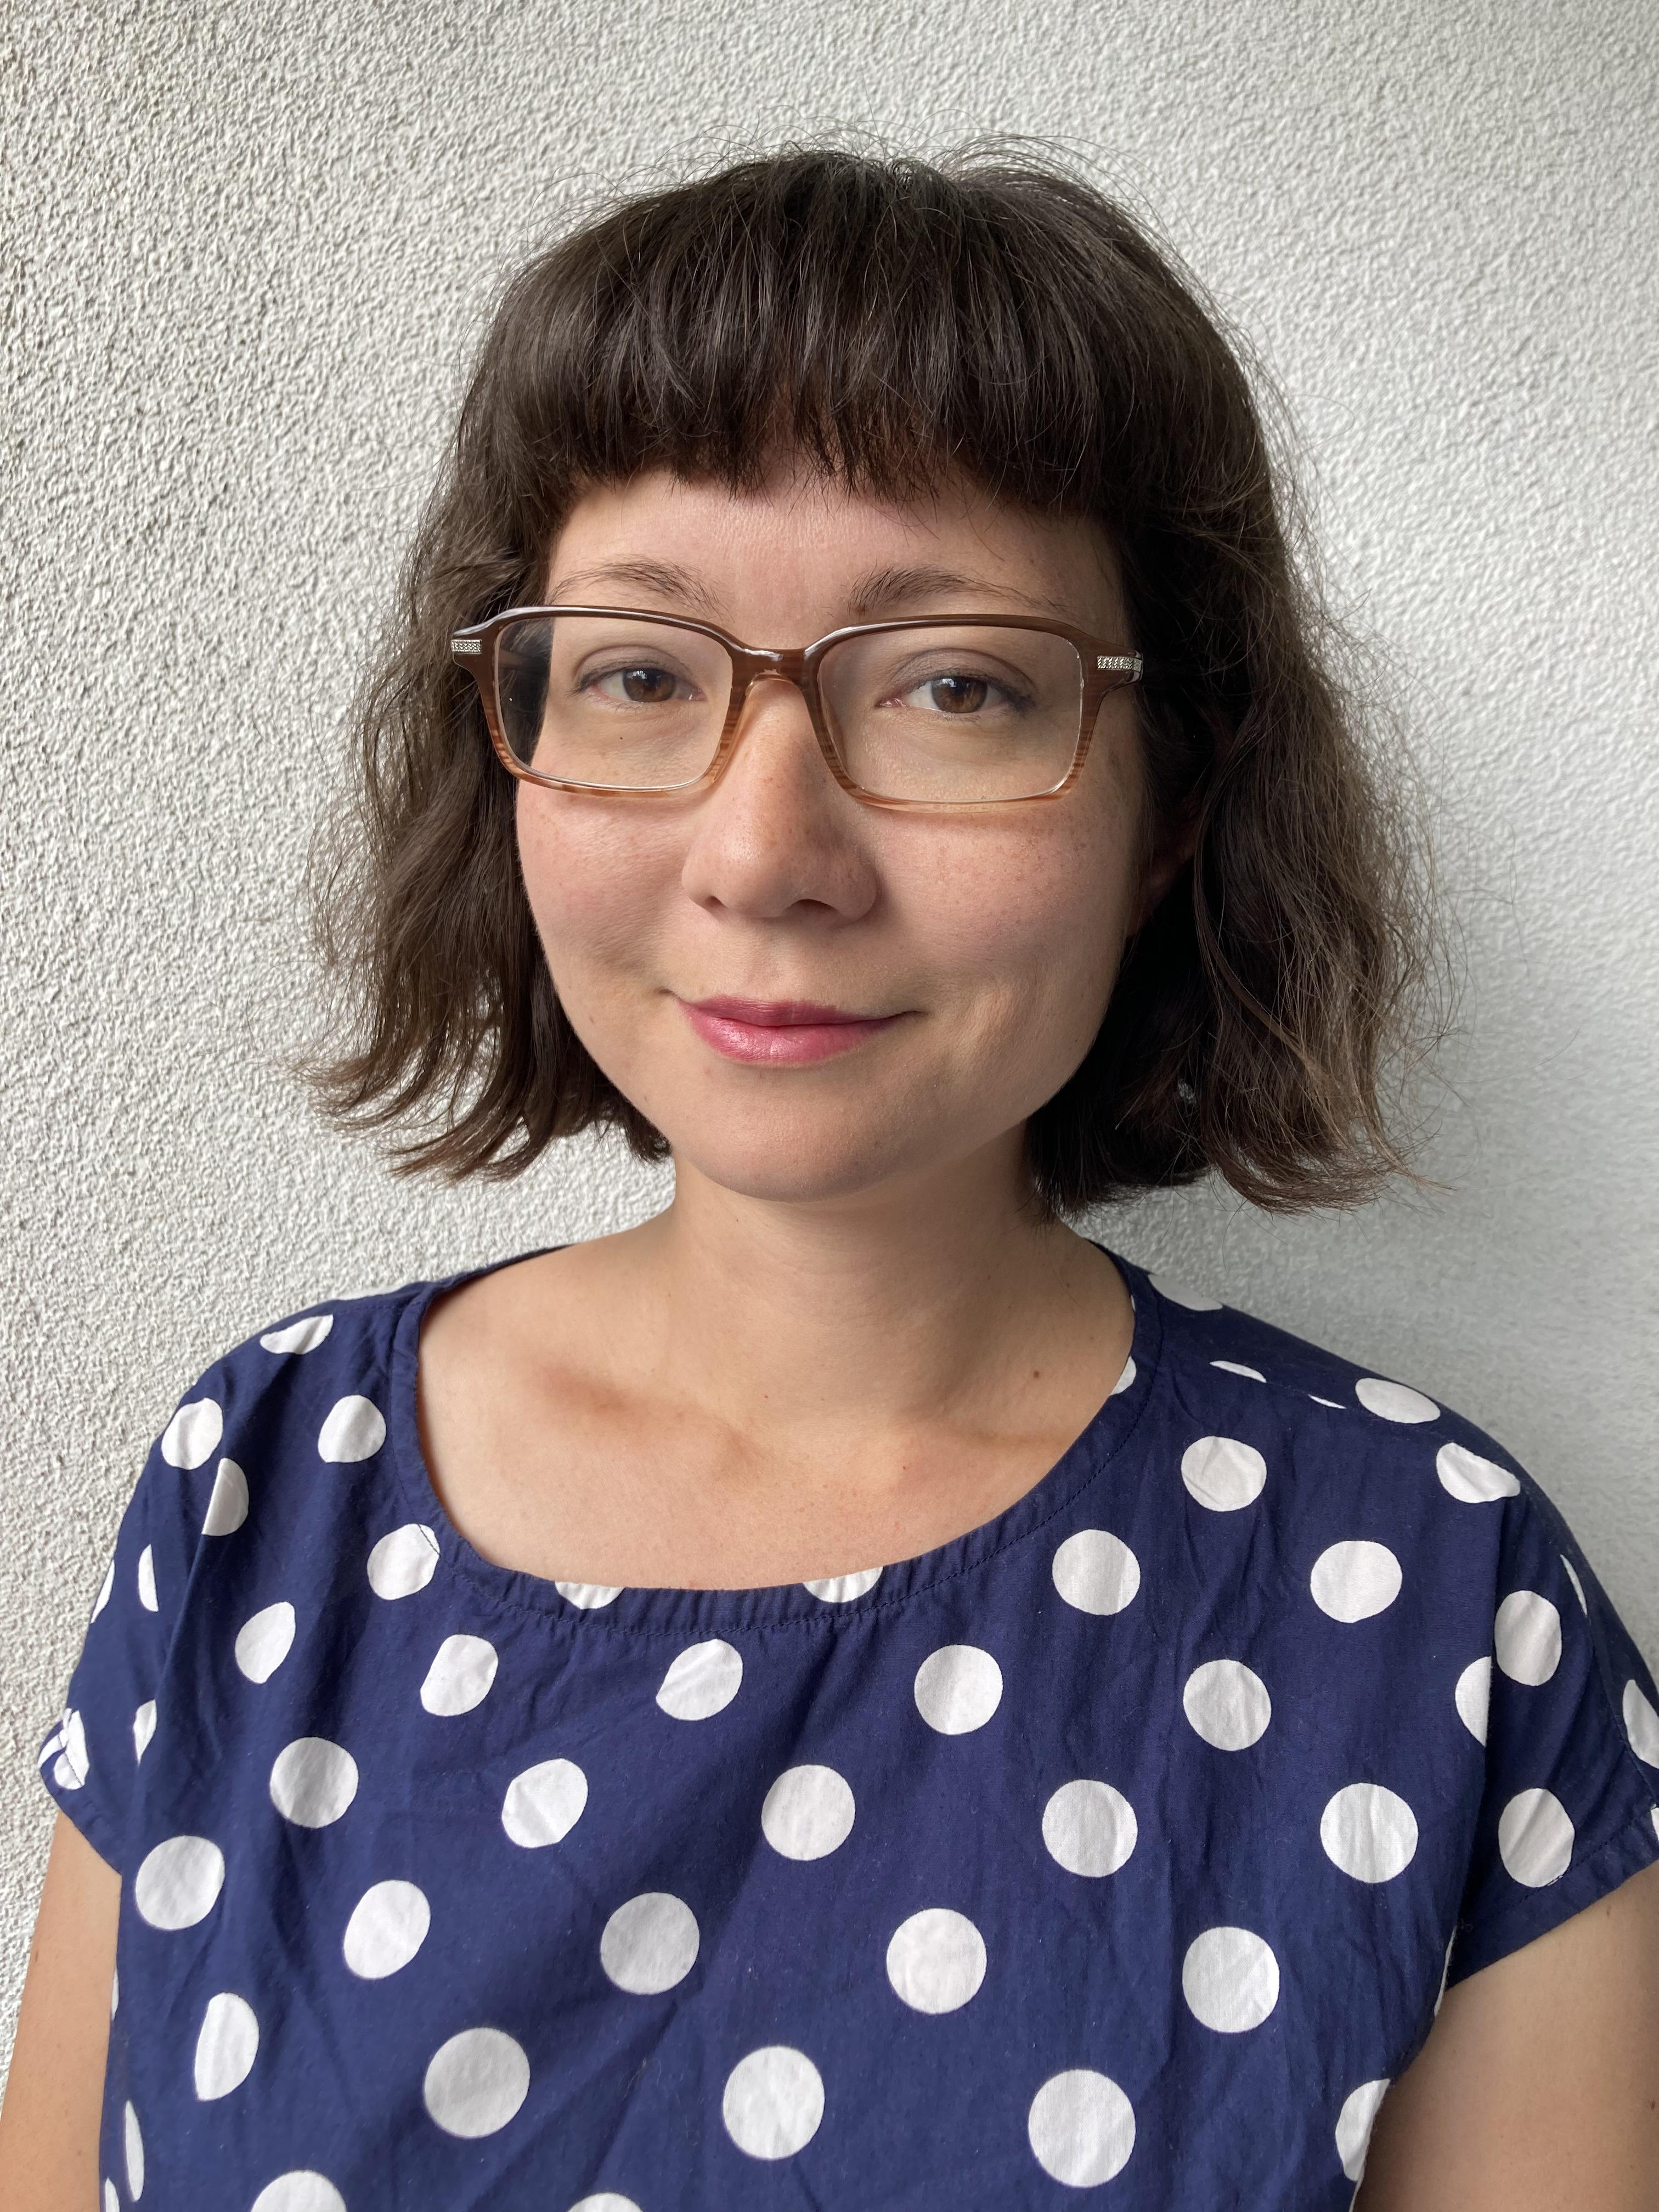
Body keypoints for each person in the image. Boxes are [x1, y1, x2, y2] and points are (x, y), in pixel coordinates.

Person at [3, 145, 1656, 2212]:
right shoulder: (261, 1484)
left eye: (955, 686)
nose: (765, 851)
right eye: (636, 674)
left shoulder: (1433, 1599)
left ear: (1171, 808)